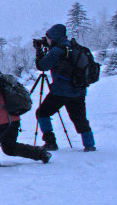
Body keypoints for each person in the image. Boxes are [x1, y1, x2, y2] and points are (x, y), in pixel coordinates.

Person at [35, 23, 95, 151]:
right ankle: (89, 145)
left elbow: (42, 66)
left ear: (54, 36)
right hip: (79, 90)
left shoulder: (57, 51)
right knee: (80, 119)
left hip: (61, 92)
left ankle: (50, 142)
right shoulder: (74, 47)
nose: (48, 40)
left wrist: (39, 51)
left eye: (48, 38)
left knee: (42, 113)